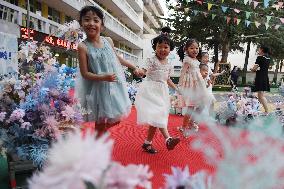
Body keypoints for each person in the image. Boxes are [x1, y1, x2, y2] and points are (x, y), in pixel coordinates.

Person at [76, 6, 141, 136]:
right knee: (99, 122)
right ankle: (97, 148)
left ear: (102, 24)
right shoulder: (82, 46)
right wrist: (103, 77)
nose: (91, 23)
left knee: (117, 118)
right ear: (81, 24)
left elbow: (118, 59)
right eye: (87, 20)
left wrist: (134, 67)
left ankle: (100, 134)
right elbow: (84, 74)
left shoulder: (108, 41)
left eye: (96, 20)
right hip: (97, 89)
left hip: (114, 86)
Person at [135, 34, 180, 154]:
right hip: (150, 91)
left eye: (166, 47)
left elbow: (168, 79)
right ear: (155, 48)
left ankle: (147, 143)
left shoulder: (169, 64)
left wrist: (177, 89)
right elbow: (143, 71)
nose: (162, 50)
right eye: (159, 46)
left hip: (162, 92)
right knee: (158, 114)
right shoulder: (151, 59)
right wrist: (140, 71)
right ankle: (168, 139)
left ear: (170, 49)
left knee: (156, 119)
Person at [177, 39, 214, 137]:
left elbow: (198, 74)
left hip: (198, 85)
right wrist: (180, 86)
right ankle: (184, 127)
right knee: (190, 107)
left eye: (197, 48)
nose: (195, 50)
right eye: (192, 48)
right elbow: (183, 72)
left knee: (199, 104)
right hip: (190, 86)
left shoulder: (196, 60)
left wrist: (204, 82)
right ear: (186, 49)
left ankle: (190, 123)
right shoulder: (187, 60)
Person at [250, 46, 270, 114]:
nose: (258, 50)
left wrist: (252, 69)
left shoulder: (260, 57)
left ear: (262, 50)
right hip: (265, 77)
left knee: (261, 96)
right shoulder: (268, 58)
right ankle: (260, 109)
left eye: (259, 49)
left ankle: (267, 111)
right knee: (260, 95)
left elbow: (254, 69)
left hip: (260, 77)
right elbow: (262, 68)